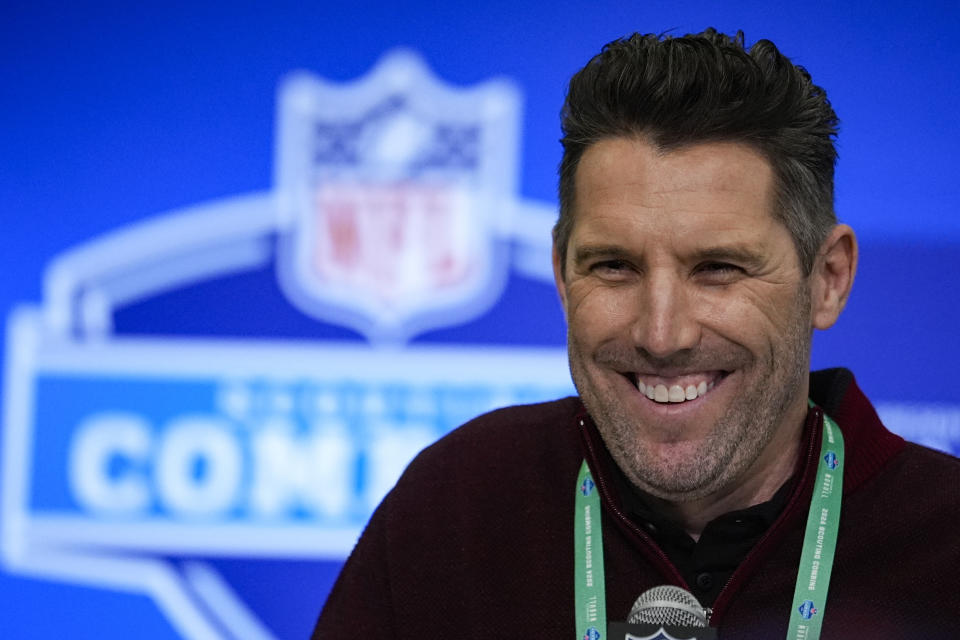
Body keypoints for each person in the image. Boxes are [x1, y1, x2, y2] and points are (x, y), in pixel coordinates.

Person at [313, 29, 960, 638]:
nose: (661, 333)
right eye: (614, 266)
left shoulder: (944, 540)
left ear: (828, 278)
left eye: (718, 269)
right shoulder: (457, 505)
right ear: (564, 278)